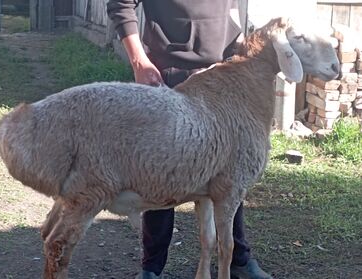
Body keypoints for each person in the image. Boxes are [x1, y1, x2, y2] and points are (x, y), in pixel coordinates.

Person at [107, 1, 273, 279]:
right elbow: (120, 4)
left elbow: (233, 11)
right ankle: (152, 267)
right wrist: (139, 61)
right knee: (161, 175)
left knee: (232, 173)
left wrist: (237, 58)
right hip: (166, 75)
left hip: (221, 76)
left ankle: (238, 259)